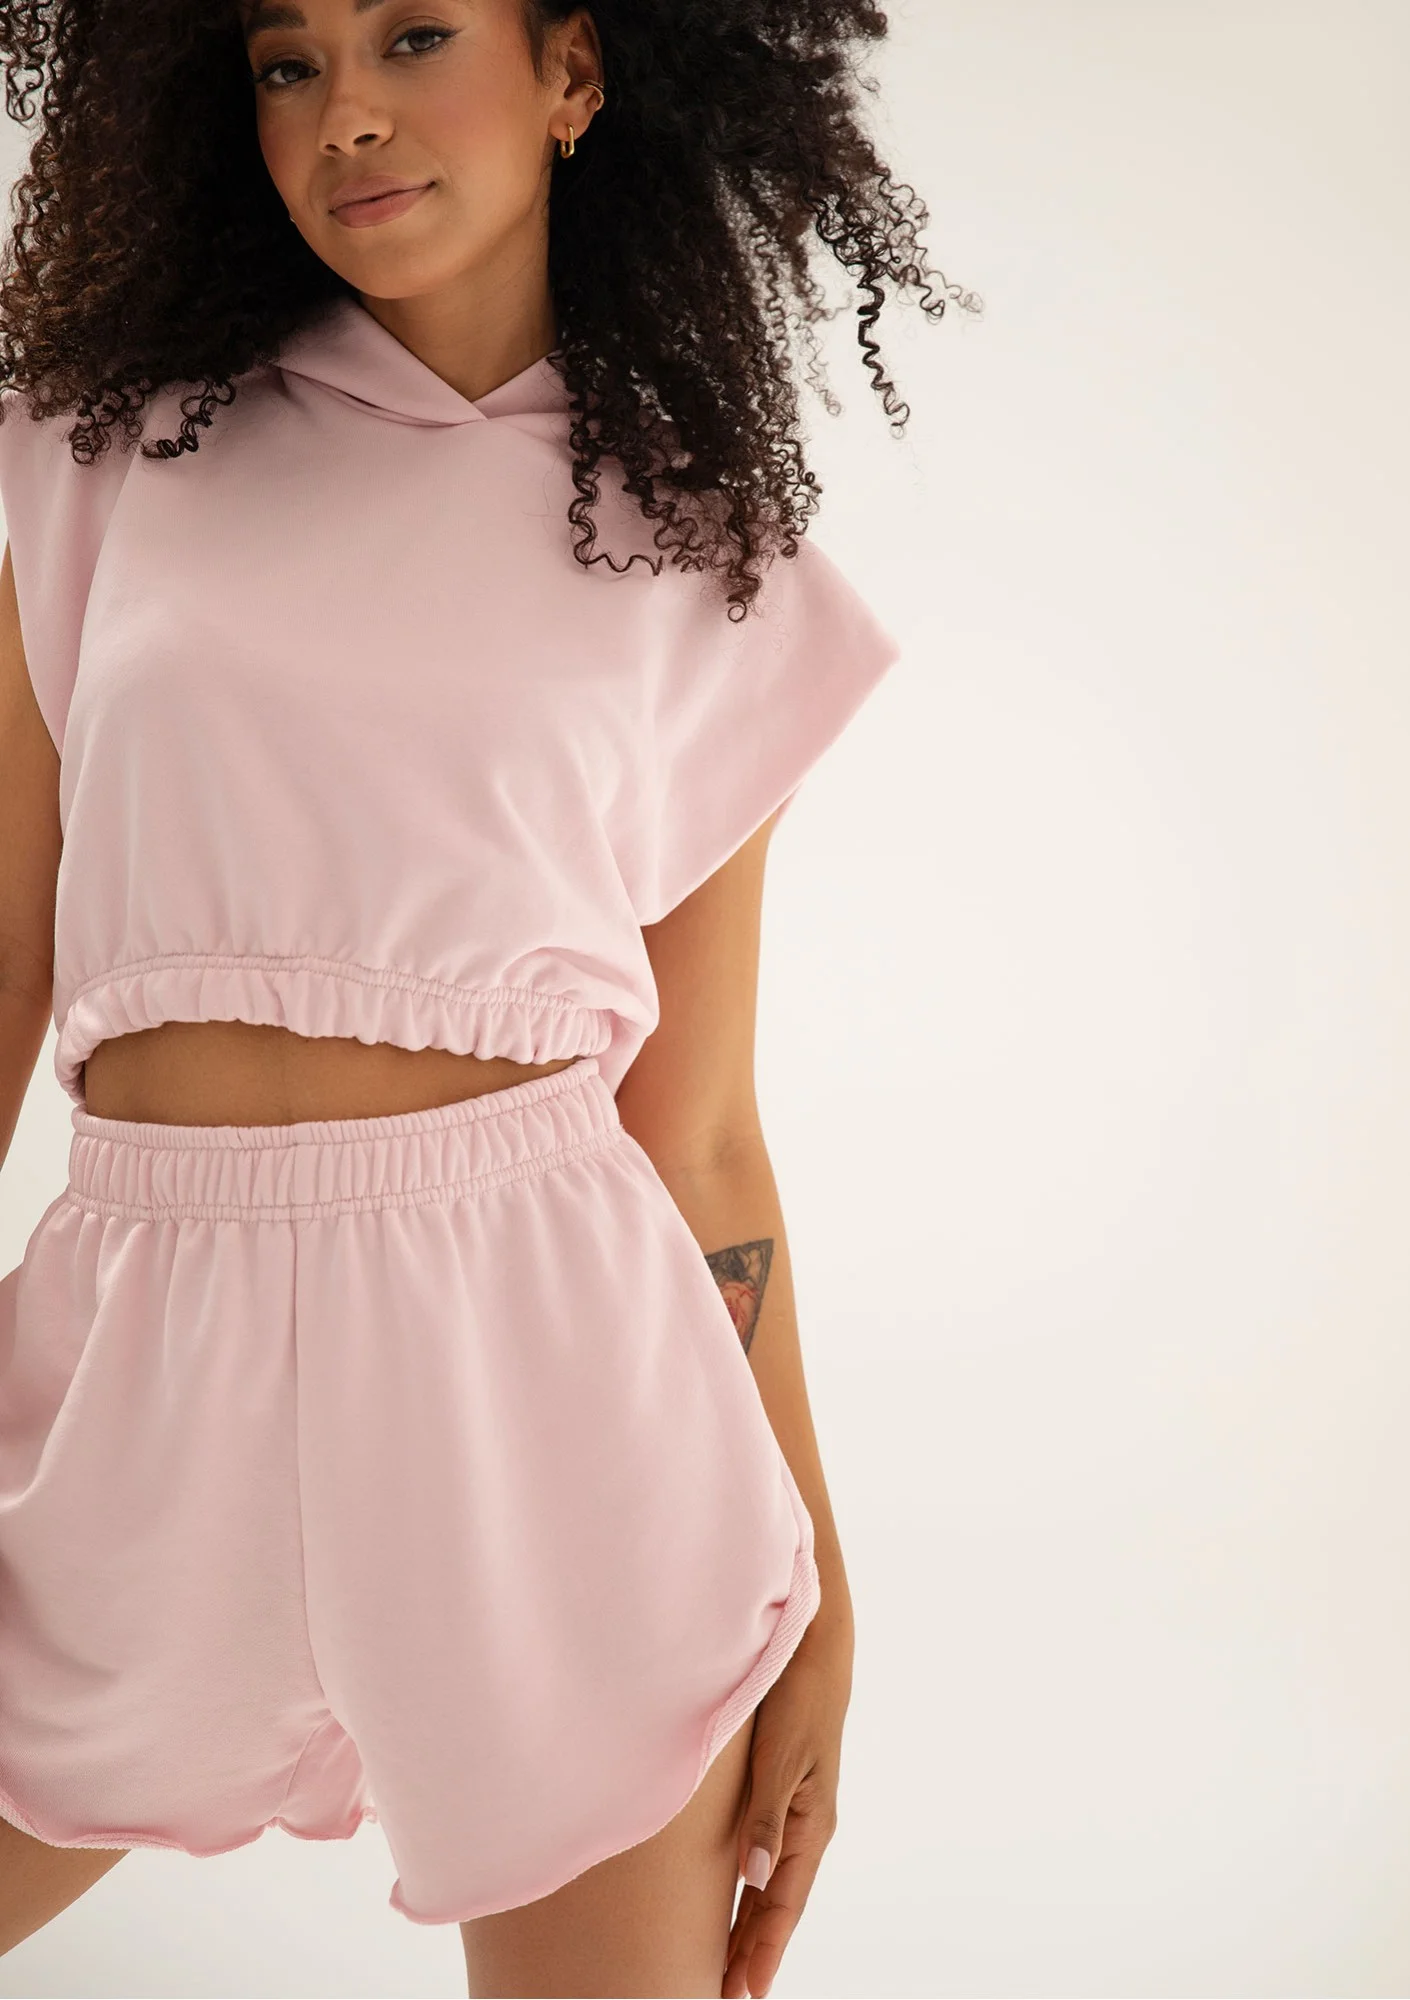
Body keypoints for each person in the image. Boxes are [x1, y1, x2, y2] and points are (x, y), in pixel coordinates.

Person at [0, 0, 976, 1991]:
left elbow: (700, 1134)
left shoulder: (698, 546)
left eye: (415, 34)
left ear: (575, 75)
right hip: (136, 1359)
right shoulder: (96, 454)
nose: (346, 112)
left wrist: (821, 1593)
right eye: (288, 62)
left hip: (549, 1383)